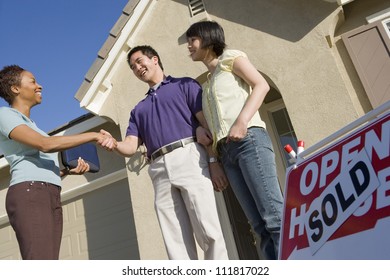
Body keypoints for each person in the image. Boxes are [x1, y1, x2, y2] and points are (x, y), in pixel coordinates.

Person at [99, 45, 229, 260]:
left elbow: (205, 126)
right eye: (133, 67)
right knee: (174, 241)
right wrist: (114, 144)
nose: (138, 68)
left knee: (208, 230)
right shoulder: (138, 110)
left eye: (140, 61)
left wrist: (214, 161)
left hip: (190, 157)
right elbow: (130, 146)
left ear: (155, 59)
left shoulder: (185, 85)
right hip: (158, 169)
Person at [185, 21, 284, 260]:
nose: (188, 46)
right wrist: (214, 158)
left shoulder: (231, 58)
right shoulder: (206, 85)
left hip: (249, 141)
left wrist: (242, 121)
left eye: (192, 40)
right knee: (258, 226)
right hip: (227, 153)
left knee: (274, 218)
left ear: (208, 38)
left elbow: (261, 85)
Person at [0, 65, 115, 260]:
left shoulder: (33, 126)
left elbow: (39, 159)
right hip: (30, 192)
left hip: (49, 192)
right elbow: (45, 145)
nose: (40, 86)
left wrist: (67, 172)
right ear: (15, 88)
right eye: (33, 81)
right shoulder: (5, 115)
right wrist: (93, 135)